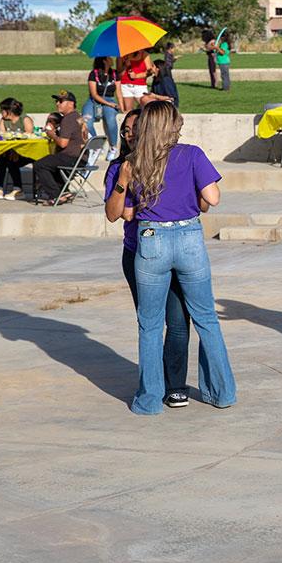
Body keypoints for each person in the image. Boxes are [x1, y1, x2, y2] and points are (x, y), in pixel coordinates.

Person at [105, 100, 235, 415]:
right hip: (189, 237)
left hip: (151, 241)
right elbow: (212, 198)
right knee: (206, 318)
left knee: (149, 325)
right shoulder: (191, 154)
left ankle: (149, 400)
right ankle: (222, 392)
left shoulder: (135, 162)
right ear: (171, 126)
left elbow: (127, 213)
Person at [104, 107, 195, 409]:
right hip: (139, 255)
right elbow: (114, 213)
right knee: (151, 323)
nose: (130, 134)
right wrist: (123, 180)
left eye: (135, 128)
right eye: (125, 130)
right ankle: (152, 387)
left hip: (177, 250)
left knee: (179, 321)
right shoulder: (120, 166)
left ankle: (176, 385)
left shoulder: (170, 161)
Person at [32, 90, 88, 205]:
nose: (57, 103)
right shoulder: (77, 117)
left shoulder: (68, 119)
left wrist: (51, 134)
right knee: (51, 161)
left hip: (71, 158)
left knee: (39, 164)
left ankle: (57, 195)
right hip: (81, 158)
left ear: (71, 104)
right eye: (56, 101)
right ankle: (64, 191)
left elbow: (63, 143)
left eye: (61, 101)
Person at [0, 97, 35, 200]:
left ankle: (18, 189)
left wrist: (16, 151)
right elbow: (2, 136)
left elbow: (29, 138)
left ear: (9, 111)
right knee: (2, 158)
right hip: (10, 150)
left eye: (2, 110)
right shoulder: (3, 121)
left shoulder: (25, 120)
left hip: (26, 151)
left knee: (11, 160)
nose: (1, 113)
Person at [82, 57, 120, 160]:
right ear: (104, 61)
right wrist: (108, 103)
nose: (112, 60)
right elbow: (94, 94)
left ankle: (113, 147)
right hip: (94, 100)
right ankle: (97, 146)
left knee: (110, 119)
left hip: (110, 100)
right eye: (109, 58)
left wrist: (121, 106)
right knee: (86, 121)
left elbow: (119, 92)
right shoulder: (94, 74)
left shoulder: (115, 74)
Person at [116, 49, 153, 115]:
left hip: (140, 86)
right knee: (129, 112)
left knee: (146, 109)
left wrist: (136, 76)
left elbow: (149, 72)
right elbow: (118, 75)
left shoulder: (144, 54)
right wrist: (125, 65)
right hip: (125, 86)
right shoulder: (121, 55)